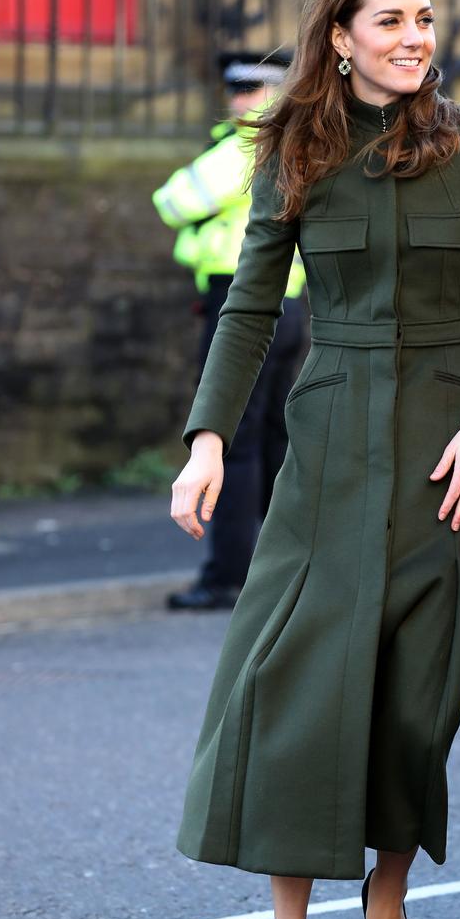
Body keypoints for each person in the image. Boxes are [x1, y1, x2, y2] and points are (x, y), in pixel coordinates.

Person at [170, 0, 460, 919]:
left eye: (423, 19)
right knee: (297, 690)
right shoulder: (291, 144)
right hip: (327, 448)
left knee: (414, 696)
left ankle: (388, 901)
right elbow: (249, 307)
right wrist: (208, 438)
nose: (415, 36)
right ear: (341, 38)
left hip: (444, 457)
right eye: (390, 20)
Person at [154, 53, 307, 610]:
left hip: (239, 305)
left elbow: (175, 200)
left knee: (231, 444)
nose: (239, 98)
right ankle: (285, 564)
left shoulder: (246, 146)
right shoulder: (294, 142)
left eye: (251, 87)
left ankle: (227, 577)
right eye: (233, 87)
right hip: (288, 306)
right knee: (268, 441)